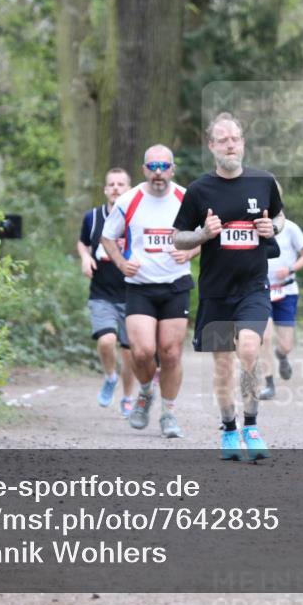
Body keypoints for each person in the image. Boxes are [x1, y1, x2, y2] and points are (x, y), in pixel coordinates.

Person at [172, 112, 284, 461]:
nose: (230, 144)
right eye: (223, 140)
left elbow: (279, 217)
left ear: (243, 143)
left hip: (253, 287)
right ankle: (230, 429)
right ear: (212, 146)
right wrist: (203, 235)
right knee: (222, 368)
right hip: (216, 292)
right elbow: (178, 238)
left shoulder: (264, 182)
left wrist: (273, 229)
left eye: (235, 138)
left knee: (250, 349)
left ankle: (251, 425)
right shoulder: (198, 190)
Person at [100, 145, 198, 438]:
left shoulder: (186, 198)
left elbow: (205, 234)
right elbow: (107, 237)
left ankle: (168, 414)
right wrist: (121, 263)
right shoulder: (129, 200)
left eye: (163, 167)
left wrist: (190, 252)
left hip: (175, 284)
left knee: (170, 353)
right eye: (152, 167)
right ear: (144, 169)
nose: (158, 173)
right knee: (142, 352)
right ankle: (145, 391)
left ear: (172, 169)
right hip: (139, 286)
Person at [77, 168, 136, 415]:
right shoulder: (93, 217)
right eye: (111, 184)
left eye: (121, 184)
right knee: (106, 340)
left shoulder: (137, 218)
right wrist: (84, 257)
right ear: (105, 190)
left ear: (129, 190)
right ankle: (110, 377)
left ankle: (128, 396)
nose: (115, 188)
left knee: (130, 351)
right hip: (102, 292)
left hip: (134, 294)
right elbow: (82, 241)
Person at [259, 208, 303, 401]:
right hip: (262, 290)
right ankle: (269, 383)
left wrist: (290, 269)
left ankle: (281, 355)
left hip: (286, 291)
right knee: (264, 337)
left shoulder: (290, 228)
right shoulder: (256, 226)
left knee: (286, 345)